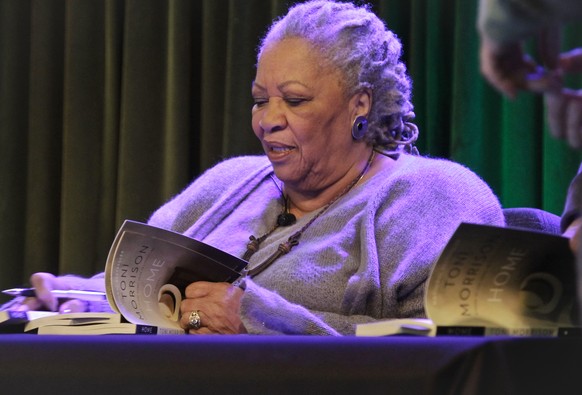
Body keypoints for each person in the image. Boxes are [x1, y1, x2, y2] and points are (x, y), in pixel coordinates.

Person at [3, 0, 504, 335]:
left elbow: (451, 350)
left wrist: (258, 319)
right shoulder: (231, 182)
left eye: (295, 100)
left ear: (360, 104)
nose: (268, 121)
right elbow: (140, 293)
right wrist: (76, 298)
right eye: (260, 99)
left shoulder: (433, 196)